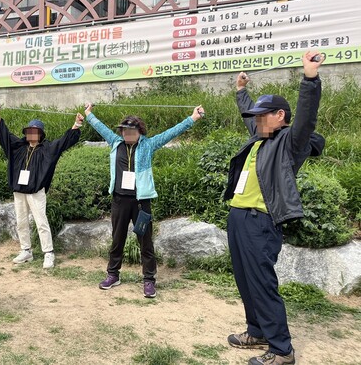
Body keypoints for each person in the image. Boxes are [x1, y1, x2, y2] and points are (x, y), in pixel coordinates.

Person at [224, 51, 325, 365]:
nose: (256, 120)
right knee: (245, 278)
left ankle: (282, 350)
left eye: (262, 115)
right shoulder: (260, 137)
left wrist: (310, 79)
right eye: (255, 116)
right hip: (238, 216)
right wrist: (242, 91)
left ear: (280, 115)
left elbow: (306, 116)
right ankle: (257, 331)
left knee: (262, 282)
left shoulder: (290, 142)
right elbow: (248, 114)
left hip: (261, 221)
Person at [84, 103, 205, 298]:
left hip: (141, 202)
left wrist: (193, 118)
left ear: (140, 131)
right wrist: (89, 114)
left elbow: (171, 132)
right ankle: (113, 275)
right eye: (124, 131)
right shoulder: (115, 142)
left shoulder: (148, 145)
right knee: (117, 239)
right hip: (119, 201)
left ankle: (149, 280)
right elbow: (101, 127)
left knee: (145, 242)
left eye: (131, 131)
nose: (127, 134)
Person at [0, 105, 83, 269]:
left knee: (41, 222)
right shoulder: (19, 148)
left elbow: (63, 142)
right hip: (19, 191)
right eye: (29, 131)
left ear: (40, 134)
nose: (31, 134)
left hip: (36, 192)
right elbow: (5, 136)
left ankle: (48, 253)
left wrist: (76, 125)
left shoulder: (47, 149)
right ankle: (26, 250)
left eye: (35, 131)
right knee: (20, 222)